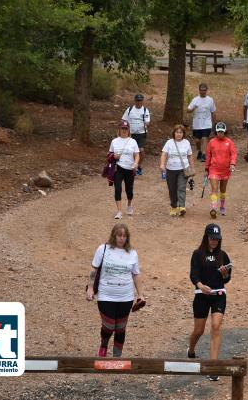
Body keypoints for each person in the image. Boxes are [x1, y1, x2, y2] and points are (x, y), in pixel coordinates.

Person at [86, 223, 145, 358]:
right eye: (119, 235)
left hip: (126, 296)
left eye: (124, 236)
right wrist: (90, 288)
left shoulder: (132, 253)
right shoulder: (103, 249)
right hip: (106, 294)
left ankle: (117, 355)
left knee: (120, 327)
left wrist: (141, 294)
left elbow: (136, 274)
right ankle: (104, 344)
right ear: (114, 236)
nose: (121, 238)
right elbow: (94, 269)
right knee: (109, 325)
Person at [188, 223, 232, 381]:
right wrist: (200, 285)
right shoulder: (197, 254)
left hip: (219, 294)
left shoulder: (223, 255)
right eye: (212, 238)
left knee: (216, 326)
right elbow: (193, 274)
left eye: (217, 239)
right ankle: (191, 349)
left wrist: (225, 274)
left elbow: (227, 278)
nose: (214, 241)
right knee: (199, 331)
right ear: (206, 237)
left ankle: (213, 367)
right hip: (201, 294)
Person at [160, 124, 194, 217]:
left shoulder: (186, 143)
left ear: (183, 134)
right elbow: (164, 154)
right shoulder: (169, 143)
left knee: (181, 187)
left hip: (183, 169)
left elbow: (190, 156)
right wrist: (162, 164)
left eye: (181, 132)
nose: (179, 134)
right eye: (177, 132)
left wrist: (192, 167)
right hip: (171, 169)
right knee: (172, 189)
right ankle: (174, 207)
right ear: (174, 133)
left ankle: (182, 207)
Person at [205, 122, 237, 219]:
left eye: (222, 132)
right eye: (218, 132)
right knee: (214, 189)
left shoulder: (229, 142)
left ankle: (222, 206)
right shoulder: (211, 142)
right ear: (216, 132)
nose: (220, 134)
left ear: (225, 132)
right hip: (213, 169)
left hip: (225, 170)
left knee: (223, 190)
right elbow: (208, 155)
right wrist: (206, 168)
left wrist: (232, 164)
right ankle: (213, 208)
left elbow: (233, 154)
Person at [109, 120, 140, 219]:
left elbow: (137, 154)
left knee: (129, 190)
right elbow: (109, 155)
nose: (124, 130)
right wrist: (114, 156)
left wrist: (135, 163)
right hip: (118, 168)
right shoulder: (114, 141)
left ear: (129, 130)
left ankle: (129, 205)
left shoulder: (133, 141)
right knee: (118, 189)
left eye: (126, 128)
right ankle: (119, 211)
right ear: (119, 129)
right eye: (122, 128)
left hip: (130, 168)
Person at [122, 93, 150, 175]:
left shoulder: (145, 110)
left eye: (140, 101)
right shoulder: (129, 109)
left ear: (142, 101)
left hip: (141, 133)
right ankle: (130, 166)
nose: (139, 102)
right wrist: (124, 129)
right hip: (131, 133)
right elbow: (124, 120)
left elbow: (147, 121)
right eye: (137, 101)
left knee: (141, 150)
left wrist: (146, 123)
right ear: (135, 101)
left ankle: (138, 165)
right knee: (131, 150)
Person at [188, 83, 216, 162]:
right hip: (197, 124)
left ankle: (204, 154)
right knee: (197, 140)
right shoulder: (195, 99)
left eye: (204, 90)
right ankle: (200, 150)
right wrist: (193, 108)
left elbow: (213, 112)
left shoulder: (210, 100)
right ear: (199, 90)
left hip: (207, 123)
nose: (202, 92)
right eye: (201, 90)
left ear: (206, 90)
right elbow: (188, 110)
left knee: (204, 138)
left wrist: (214, 123)